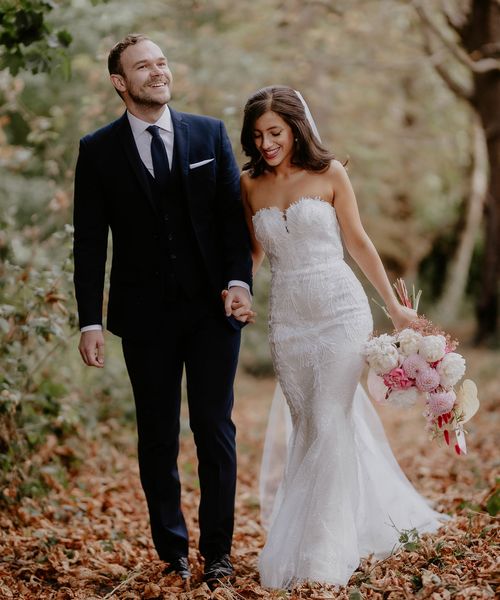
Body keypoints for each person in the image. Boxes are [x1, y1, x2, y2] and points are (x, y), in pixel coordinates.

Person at [238, 86, 446, 589]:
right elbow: (253, 255)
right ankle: (356, 521)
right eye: (258, 135)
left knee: (330, 419)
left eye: (275, 133)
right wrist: (239, 291)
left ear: (295, 128)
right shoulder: (248, 185)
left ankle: (320, 555)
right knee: (309, 425)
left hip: (340, 312)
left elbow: (357, 240)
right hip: (288, 320)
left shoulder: (331, 174)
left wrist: (392, 306)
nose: (267, 143)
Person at [73, 33, 253, 586]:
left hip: (211, 312)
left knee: (214, 431)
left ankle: (218, 553)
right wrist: (90, 319)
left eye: (161, 62)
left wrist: (238, 282)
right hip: (144, 317)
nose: (157, 72)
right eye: (142, 67)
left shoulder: (208, 133)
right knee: (156, 436)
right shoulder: (97, 149)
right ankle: (173, 551)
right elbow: (89, 241)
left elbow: (230, 220)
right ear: (119, 83)